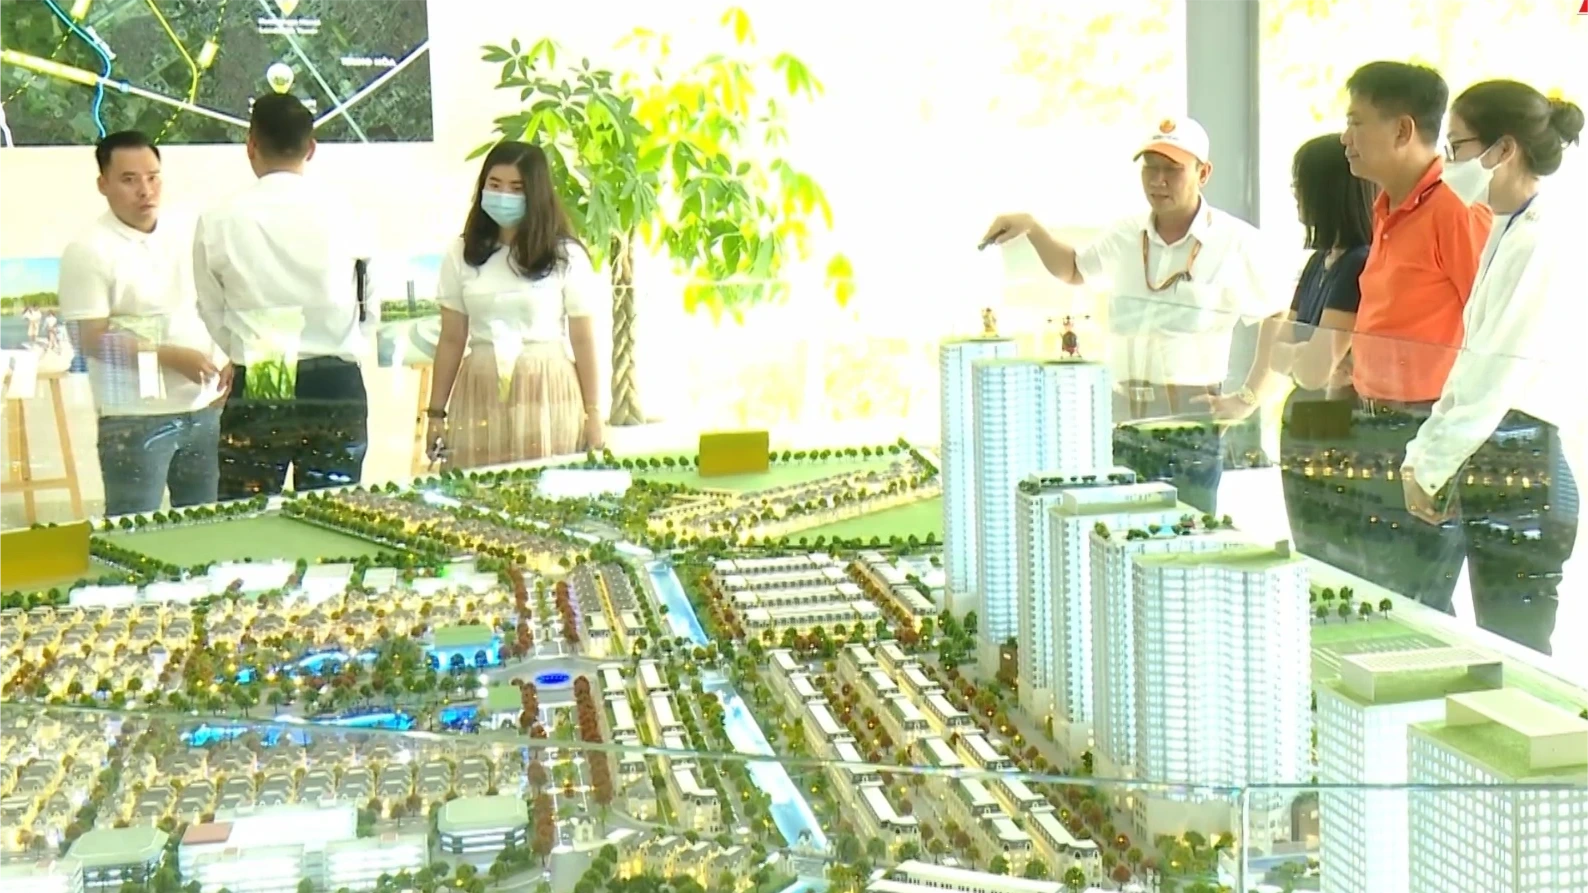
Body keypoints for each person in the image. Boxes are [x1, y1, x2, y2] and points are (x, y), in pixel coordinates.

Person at [980, 116, 1287, 512]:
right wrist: (1032, 228)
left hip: (1191, 426)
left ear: (1203, 173)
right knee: (1115, 532)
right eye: (1150, 168)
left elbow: (1278, 314)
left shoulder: (1236, 242)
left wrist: (1248, 398)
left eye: (1172, 170)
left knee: (1188, 535)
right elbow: (1074, 270)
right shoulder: (1126, 233)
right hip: (1123, 422)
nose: (1158, 180)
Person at [1398, 81, 1582, 654]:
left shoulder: (1542, 238)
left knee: (1519, 657)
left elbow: (1494, 377)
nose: (1447, 162)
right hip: (1499, 459)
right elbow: (1471, 361)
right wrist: (1423, 456)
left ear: (1504, 149)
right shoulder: (1508, 226)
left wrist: (1429, 464)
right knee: (1498, 649)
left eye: (1456, 147)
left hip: (1523, 461)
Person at [1330, 61, 1493, 610]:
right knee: (1386, 596)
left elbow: (1488, 331)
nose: (1345, 138)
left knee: (1414, 603)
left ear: (1403, 129)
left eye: (1356, 122)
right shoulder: (1386, 206)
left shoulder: (1455, 207)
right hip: (1373, 424)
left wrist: (1439, 450)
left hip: (1425, 428)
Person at [1207, 133, 1375, 558]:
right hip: (1306, 419)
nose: (1295, 194)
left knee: (1338, 551)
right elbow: (1282, 349)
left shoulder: (1358, 262)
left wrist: (1304, 354)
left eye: (1300, 184)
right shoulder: (1320, 261)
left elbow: (1314, 370)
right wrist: (1306, 353)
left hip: (1340, 425)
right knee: (1309, 547)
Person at [194, 93, 370, 498]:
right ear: (311, 148)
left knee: (248, 512)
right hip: (335, 378)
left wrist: (243, 350)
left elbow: (211, 308)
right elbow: (368, 301)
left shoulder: (219, 218)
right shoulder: (346, 212)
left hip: (263, 373)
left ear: (251, 145)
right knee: (332, 513)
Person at [56, 130, 227, 516]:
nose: (145, 190)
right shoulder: (89, 250)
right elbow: (88, 338)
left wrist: (230, 357)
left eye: (153, 177)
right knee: (134, 525)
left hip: (203, 408)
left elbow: (218, 301)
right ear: (103, 184)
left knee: (207, 523)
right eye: (129, 179)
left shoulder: (187, 231)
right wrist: (169, 357)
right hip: (133, 418)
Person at [424, 141, 604, 468]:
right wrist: (436, 413)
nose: (503, 195)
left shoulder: (566, 255)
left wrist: (593, 413)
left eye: (516, 188)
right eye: (495, 185)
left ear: (536, 194)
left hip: (547, 389)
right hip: (480, 390)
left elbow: (584, 339)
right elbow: (451, 338)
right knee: (478, 492)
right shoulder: (461, 253)